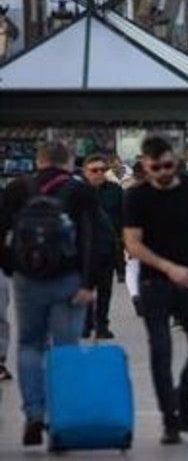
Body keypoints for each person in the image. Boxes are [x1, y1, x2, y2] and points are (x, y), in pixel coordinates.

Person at [0, 141, 100, 447]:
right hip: (69, 279)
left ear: (39, 160)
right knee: (65, 348)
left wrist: (12, 269)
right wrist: (89, 282)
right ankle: (62, 419)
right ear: (69, 161)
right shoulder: (79, 190)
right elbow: (93, 237)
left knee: (29, 345)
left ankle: (33, 414)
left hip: (28, 279)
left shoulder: (17, 188)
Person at [123, 137, 188, 445]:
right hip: (156, 282)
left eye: (168, 165)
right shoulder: (136, 197)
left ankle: (183, 395)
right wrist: (167, 267)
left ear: (175, 161)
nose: (163, 172)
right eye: (155, 167)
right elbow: (133, 243)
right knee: (161, 351)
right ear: (145, 166)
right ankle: (169, 420)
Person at [82, 153, 123, 339]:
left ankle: (102, 325)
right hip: (84, 247)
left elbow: (124, 216)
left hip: (108, 246)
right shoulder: (78, 192)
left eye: (103, 170)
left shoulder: (115, 190)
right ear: (85, 172)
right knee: (85, 287)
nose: (99, 173)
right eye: (94, 170)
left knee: (105, 289)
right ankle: (86, 323)